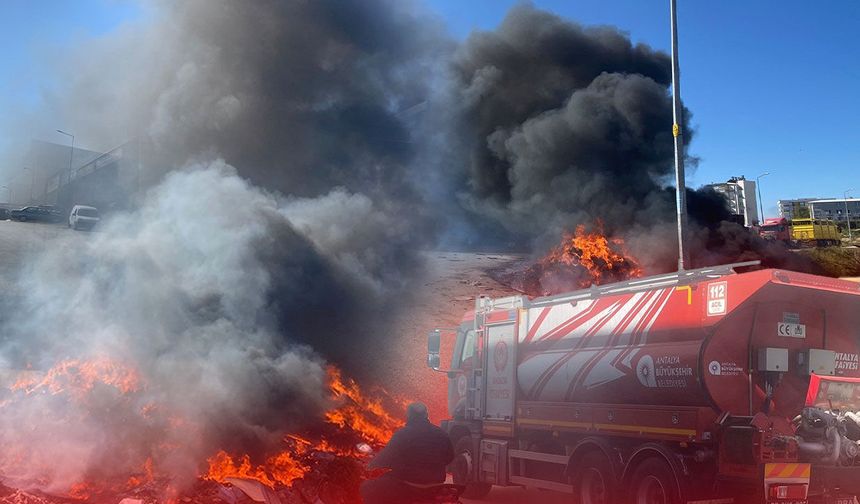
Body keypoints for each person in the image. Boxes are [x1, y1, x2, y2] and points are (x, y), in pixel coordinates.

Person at [360, 402, 455, 504]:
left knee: (367, 487)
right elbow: (450, 457)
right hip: (435, 483)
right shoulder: (441, 434)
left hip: (408, 484)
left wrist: (371, 464)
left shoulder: (403, 434)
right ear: (426, 415)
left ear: (409, 416)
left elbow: (386, 457)